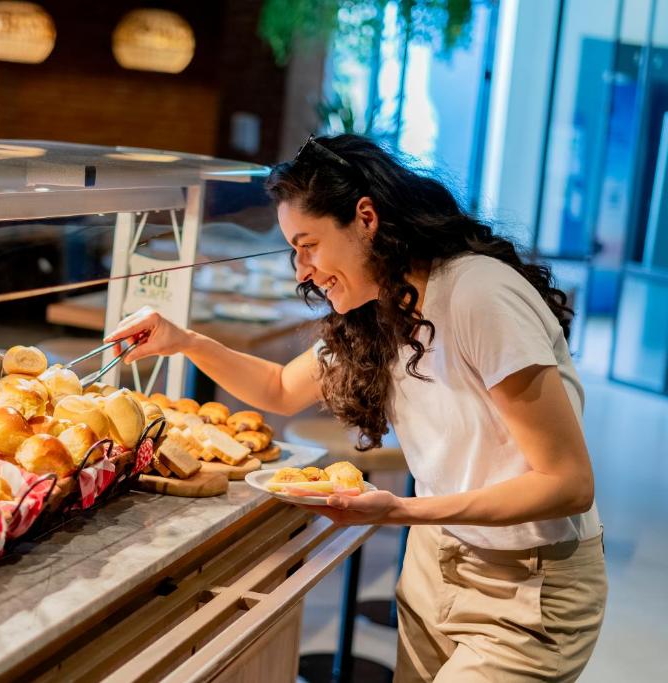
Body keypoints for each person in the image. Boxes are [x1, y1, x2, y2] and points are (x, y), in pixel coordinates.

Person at [107, 134, 606, 682]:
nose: (302, 270)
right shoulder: (382, 308)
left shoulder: (477, 293)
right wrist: (186, 342)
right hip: (434, 565)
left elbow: (566, 483)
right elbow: (278, 387)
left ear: (365, 217)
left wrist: (399, 511)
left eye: (309, 245)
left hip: (528, 587)